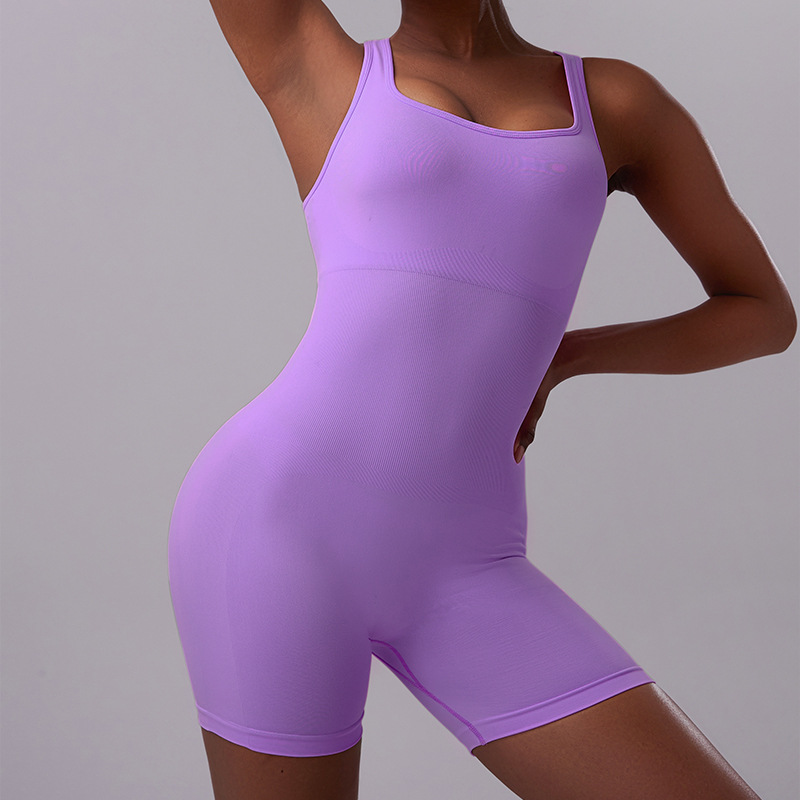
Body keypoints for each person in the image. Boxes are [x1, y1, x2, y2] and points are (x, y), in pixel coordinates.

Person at [166, 0, 796, 797]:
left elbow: (761, 312)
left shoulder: (616, 101)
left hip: (468, 567)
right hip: (276, 525)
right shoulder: (319, 63)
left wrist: (567, 356)